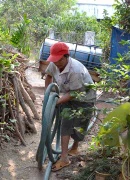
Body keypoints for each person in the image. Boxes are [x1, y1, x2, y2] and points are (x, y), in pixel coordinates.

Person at [44, 42, 96, 172]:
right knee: (65, 124)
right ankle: (64, 158)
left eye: (60, 60)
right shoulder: (54, 63)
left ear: (67, 56)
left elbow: (75, 93)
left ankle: (75, 146)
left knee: (79, 128)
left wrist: (56, 102)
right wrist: (48, 95)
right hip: (68, 95)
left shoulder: (75, 70)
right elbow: (48, 76)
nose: (57, 63)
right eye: (55, 60)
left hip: (85, 98)